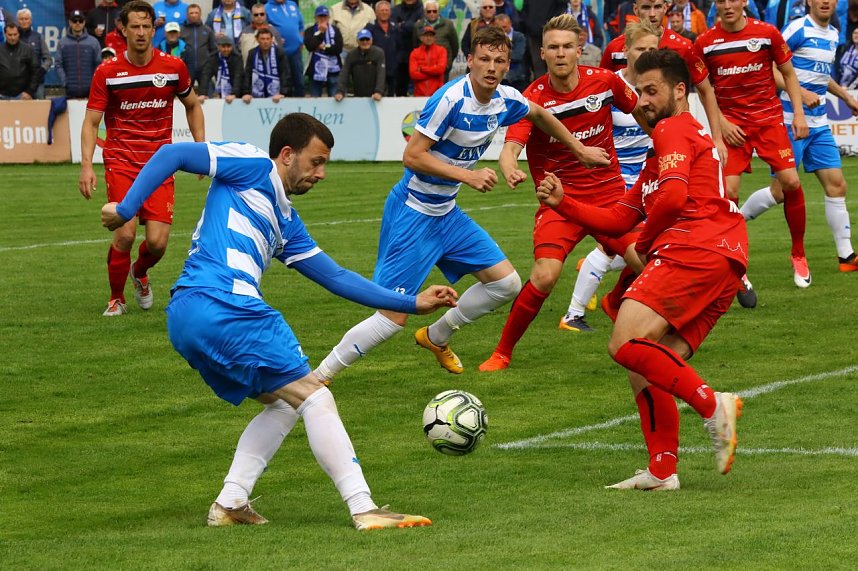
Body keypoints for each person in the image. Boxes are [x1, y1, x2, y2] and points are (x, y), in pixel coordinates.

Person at [100, 112, 456, 530]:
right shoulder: (252, 165)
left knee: (285, 405)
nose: (321, 173)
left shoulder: (287, 223)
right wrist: (125, 209)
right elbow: (172, 152)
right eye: (316, 161)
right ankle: (364, 508)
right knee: (315, 396)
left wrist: (411, 302)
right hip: (226, 304)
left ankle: (231, 502)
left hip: (188, 316)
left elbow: (337, 277)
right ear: (286, 155)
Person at [312, 26, 610, 383]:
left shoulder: (505, 98)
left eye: (499, 60)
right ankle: (318, 376)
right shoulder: (450, 99)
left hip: (447, 214)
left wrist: (578, 149)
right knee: (393, 316)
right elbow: (412, 156)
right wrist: (467, 176)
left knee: (506, 284)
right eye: (483, 59)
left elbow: (540, 115)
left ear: (507, 65)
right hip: (414, 213)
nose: (491, 67)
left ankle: (437, 336)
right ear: (469, 61)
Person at [536, 48, 745, 491]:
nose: (643, 100)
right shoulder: (663, 150)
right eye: (639, 91)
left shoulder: (674, 128)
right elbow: (618, 218)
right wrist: (564, 204)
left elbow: (670, 202)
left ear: (680, 91)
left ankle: (713, 405)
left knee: (623, 343)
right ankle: (662, 470)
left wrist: (647, 248)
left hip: (695, 247)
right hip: (722, 256)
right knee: (645, 362)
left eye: (652, 90)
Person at [478, 15, 645, 371]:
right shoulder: (531, 98)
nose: (560, 53)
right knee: (545, 275)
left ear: (579, 50)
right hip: (559, 203)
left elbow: (646, 113)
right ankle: (502, 352)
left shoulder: (605, 82)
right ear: (542, 53)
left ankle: (616, 301)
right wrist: (510, 166)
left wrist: (666, 142)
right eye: (553, 47)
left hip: (608, 196)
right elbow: (510, 147)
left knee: (645, 262)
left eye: (567, 46)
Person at [79, 1, 205, 317]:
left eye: (146, 26)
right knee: (124, 232)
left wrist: (202, 149)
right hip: (121, 161)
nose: (141, 32)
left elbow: (193, 105)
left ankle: (140, 271)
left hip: (160, 163)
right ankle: (116, 298)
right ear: (122, 29)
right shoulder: (107, 72)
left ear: (154, 28)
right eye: (134, 26)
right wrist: (86, 165)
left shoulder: (173, 67)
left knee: (159, 243)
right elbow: (91, 122)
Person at [696, 0, 810, 294]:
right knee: (729, 193)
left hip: (768, 121)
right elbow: (705, 91)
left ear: (744, 1)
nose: (727, 5)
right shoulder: (705, 43)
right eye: (720, 1)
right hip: (733, 126)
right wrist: (720, 125)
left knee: (791, 182)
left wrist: (798, 114)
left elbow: (789, 75)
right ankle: (736, 265)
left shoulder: (767, 33)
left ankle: (798, 254)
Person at [740, 0, 858, 273]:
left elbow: (822, 75)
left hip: (818, 124)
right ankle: (733, 220)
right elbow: (770, 67)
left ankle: (846, 257)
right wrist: (800, 95)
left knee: (837, 185)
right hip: (788, 121)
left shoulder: (832, 34)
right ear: (809, 2)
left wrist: (845, 98)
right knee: (780, 192)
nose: (825, 2)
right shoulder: (796, 29)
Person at [561, 21, 660, 332]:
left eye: (652, 49)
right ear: (625, 51)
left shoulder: (657, 88)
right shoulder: (608, 86)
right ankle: (576, 313)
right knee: (622, 246)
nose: (647, 54)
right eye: (640, 49)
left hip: (646, 178)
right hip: (614, 180)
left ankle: (606, 302)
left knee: (645, 245)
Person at [600, 0, 727, 167]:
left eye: (657, 7)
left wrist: (717, 138)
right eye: (646, 7)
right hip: (626, 144)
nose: (652, 13)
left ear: (666, 8)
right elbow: (602, 95)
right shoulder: (615, 47)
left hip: (669, 135)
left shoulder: (683, 46)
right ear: (636, 9)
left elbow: (705, 90)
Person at [263, 0, 305, 97]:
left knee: (300, 82)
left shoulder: (292, 4)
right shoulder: (267, 7)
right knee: (283, 83)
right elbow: (264, 29)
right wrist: (275, 39)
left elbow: (301, 26)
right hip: (279, 53)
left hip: (295, 52)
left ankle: (301, 109)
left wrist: (300, 41)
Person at [56, 10, 102, 99]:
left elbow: (98, 64)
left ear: (84, 22)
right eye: (74, 20)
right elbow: (58, 64)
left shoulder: (93, 42)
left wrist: (94, 82)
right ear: (70, 22)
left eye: (80, 21)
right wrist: (64, 82)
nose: (77, 23)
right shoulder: (62, 43)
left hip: (90, 91)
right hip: (70, 91)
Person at [242, 27, 291, 102]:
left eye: (268, 39)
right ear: (257, 39)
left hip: (276, 95)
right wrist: (246, 93)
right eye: (263, 39)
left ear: (272, 40)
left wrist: (283, 93)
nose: (266, 41)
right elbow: (248, 74)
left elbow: (285, 74)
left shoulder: (279, 53)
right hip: (256, 94)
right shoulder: (252, 53)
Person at [304, 5, 343, 97]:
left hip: (333, 69)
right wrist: (320, 32)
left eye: (325, 16)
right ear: (315, 18)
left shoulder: (335, 30)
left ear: (329, 17)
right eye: (320, 16)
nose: (322, 19)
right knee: (315, 98)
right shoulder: (309, 31)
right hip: (316, 70)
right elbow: (310, 46)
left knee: (334, 98)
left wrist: (324, 47)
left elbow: (338, 48)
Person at [335, 29, 386, 100]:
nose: (365, 42)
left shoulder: (379, 53)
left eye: (367, 39)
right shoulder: (351, 55)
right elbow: (344, 73)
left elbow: (381, 73)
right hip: (358, 95)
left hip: (376, 96)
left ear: (371, 40)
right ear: (358, 41)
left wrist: (379, 91)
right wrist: (340, 91)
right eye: (362, 40)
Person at [414, 1, 458, 81]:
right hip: (423, 70)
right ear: (424, 12)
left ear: (438, 11)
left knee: (442, 92)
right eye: (429, 11)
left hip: (442, 69)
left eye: (434, 11)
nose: (432, 13)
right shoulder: (418, 26)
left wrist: (447, 65)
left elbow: (455, 46)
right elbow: (415, 45)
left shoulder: (448, 24)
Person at [16, 9, 52, 99]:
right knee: (18, 110)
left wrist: (42, 70)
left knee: (40, 111)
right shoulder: (13, 38)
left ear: (30, 20)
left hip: (37, 83)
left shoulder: (38, 37)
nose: (24, 21)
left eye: (26, 19)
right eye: (21, 19)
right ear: (17, 21)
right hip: (18, 82)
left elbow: (48, 59)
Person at [367, 1, 401, 96]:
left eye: (386, 10)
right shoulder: (370, 28)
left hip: (392, 68)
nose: (384, 12)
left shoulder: (395, 27)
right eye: (382, 10)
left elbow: (400, 45)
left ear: (390, 12)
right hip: (375, 69)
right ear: (376, 12)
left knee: (391, 95)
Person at [391, 0, 425, 96]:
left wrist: (402, 24)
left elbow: (419, 27)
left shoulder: (422, 9)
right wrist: (413, 24)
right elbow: (393, 27)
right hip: (399, 55)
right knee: (400, 89)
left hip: (418, 55)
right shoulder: (396, 9)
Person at [180, 4, 216, 90]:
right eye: (191, 13)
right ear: (187, 15)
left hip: (204, 68)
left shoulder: (207, 30)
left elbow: (213, 49)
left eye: (196, 13)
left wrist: (209, 64)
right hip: (187, 68)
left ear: (200, 14)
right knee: (185, 94)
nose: (194, 15)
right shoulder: (181, 30)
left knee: (206, 96)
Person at [0, 23, 38, 100]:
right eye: (10, 35)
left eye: (15, 34)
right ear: (5, 34)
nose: (12, 37)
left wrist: (29, 92)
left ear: (19, 34)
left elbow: (36, 72)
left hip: (23, 96)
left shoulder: (28, 50)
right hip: (2, 95)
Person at [200, 35, 244, 102]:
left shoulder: (237, 58)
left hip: (238, 92)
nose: (226, 49)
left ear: (232, 47)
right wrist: (202, 93)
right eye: (223, 47)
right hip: (221, 90)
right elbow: (206, 75)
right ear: (218, 47)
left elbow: (238, 76)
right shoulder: (213, 58)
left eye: (228, 47)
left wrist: (234, 94)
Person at [409, 25, 446, 96]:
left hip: (437, 95)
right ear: (421, 38)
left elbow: (440, 69)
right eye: (426, 36)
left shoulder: (441, 50)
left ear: (434, 38)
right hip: (419, 94)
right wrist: (434, 74)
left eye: (431, 36)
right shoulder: (415, 53)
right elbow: (413, 74)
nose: (429, 38)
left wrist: (422, 69)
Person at [496, 13, 529, 91]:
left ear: (510, 24)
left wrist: (499, 53)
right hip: (499, 79)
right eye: (499, 28)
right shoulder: (492, 38)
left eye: (504, 27)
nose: (502, 30)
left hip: (517, 79)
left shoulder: (519, 37)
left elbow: (518, 55)